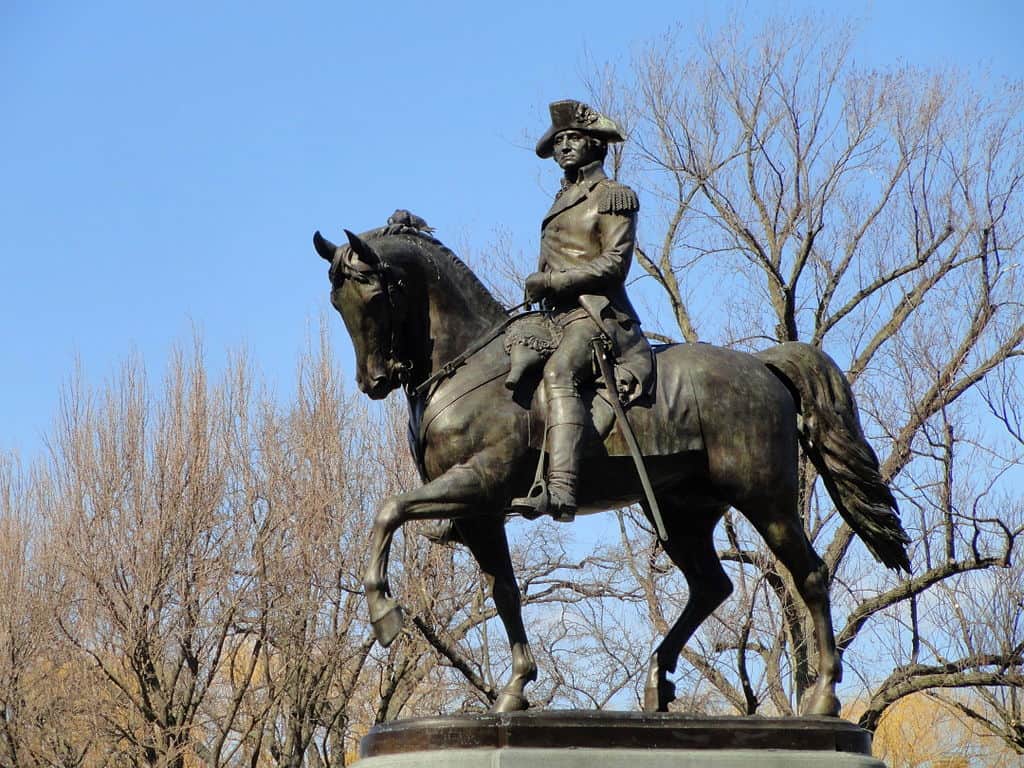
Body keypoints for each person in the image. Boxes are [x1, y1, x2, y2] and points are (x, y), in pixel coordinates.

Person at [509, 100, 654, 522]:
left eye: (573, 138)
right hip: (557, 316)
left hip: (599, 317)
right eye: (559, 141)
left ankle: (562, 490)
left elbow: (615, 264)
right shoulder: (565, 197)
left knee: (558, 373)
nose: (564, 146)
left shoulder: (611, 197)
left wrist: (553, 283)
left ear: (594, 144)